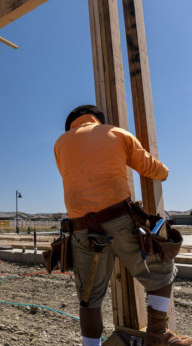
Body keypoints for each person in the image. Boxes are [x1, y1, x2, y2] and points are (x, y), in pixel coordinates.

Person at [54, 105, 191, 346]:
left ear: (72, 125)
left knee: (89, 299)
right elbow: (148, 166)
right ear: (97, 120)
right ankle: (157, 337)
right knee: (162, 273)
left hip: (81, 229)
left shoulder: (60, 144)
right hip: (119, 217)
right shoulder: (116, 133)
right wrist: (165, 173)